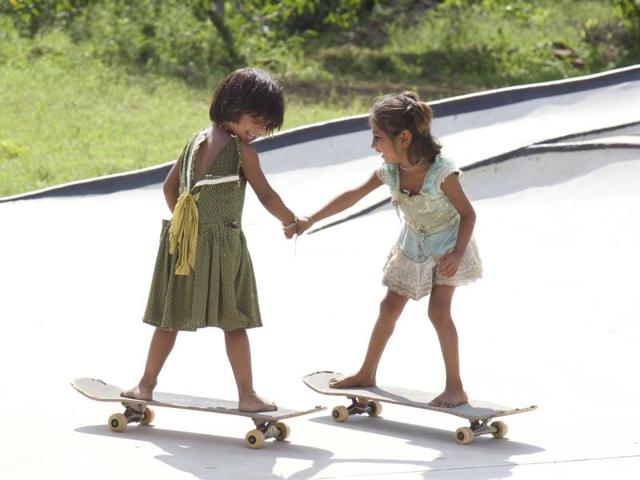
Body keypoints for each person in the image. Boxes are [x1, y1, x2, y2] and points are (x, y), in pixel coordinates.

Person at [123, 68, 300, 412]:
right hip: (224, 246)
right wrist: (291, 220)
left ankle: (144, 386)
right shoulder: (241, 153)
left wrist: (188, 224)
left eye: (265, 126)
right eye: (256, 121)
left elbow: (169, 188)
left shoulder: (194, 140)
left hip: (181, 245)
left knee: (169, 319)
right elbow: (265, 195)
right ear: (233, 107)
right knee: (235, 322)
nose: (259, 131)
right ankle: (247, 396)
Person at [297, 91, 482, 407]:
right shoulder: (390, 171)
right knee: (388, 308)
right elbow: (352, 195)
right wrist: (310, 218)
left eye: (378, 138)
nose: (373, 146)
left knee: (438, 312)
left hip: (448, 246)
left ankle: (456, 386)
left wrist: (456, 254)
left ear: (405, 138)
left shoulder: (442, 172)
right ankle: (367, 372)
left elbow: (468, 214)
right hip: (413, 244)